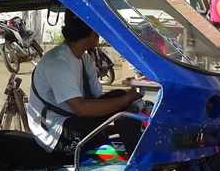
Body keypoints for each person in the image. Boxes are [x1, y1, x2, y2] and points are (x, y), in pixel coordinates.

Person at [27, 11, 143, 157]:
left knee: (119, 96)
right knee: (123, 102)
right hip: (56, 134)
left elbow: (98, 97)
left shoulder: (85, 59)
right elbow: (82, 109)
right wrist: (127, 99)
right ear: (90, 29)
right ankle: (139, 158)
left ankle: (136, 149)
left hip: (74, 119)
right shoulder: (57, 63)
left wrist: (125, 98)